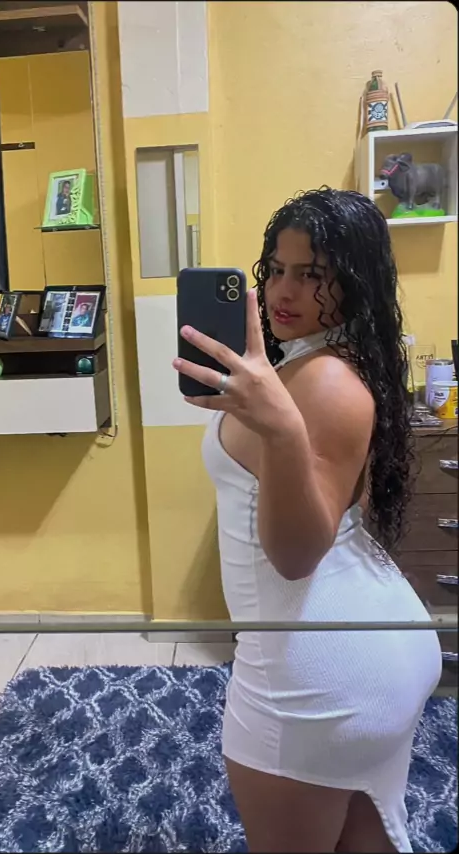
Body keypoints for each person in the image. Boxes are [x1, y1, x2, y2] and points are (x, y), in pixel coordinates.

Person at [173, 188, 442, 853]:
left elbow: (295, 556)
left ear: (354, 283)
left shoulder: (323, 382)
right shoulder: (313, 363)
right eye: (276, 269)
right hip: (352, 653)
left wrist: (281, 430)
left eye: (312, 274)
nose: (283, 290)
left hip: (310, 679)